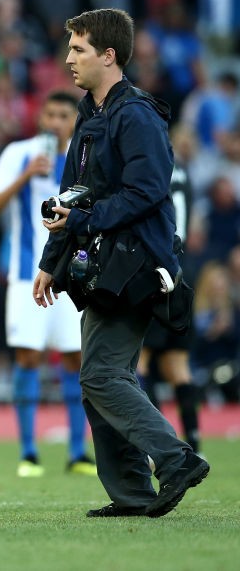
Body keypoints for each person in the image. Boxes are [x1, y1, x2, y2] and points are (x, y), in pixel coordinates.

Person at [34, 8, 209, 519]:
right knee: (102, 379)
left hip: (137, 263)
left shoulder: (136, 114)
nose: (68, 59)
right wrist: (52, 258)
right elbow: (72, 195)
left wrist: (82, 219)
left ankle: (176, 459)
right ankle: (133, 494)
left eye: (79, 50)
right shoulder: (91, 115)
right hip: (105, 264)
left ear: (109, 55)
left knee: (102, 377)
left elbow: (147, 191)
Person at [0, 91, 97, 478]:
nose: (55, 121)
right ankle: (29, 452)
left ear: (74, 121)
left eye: (64, 115)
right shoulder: (19, 153)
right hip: (24, 273)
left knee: (74, 359)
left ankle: (78, 452)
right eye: (50, 113)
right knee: (28, 357)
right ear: (41, 116)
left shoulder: (85, 155)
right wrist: (26, 175)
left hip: (74, 274)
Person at [138, 159, 201, 453]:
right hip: (183, 272)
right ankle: (195, 441)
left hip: (156, 270)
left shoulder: (149, 164)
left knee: (142, 362)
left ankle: (158, 444)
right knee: (179, 367)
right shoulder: (184, 172)